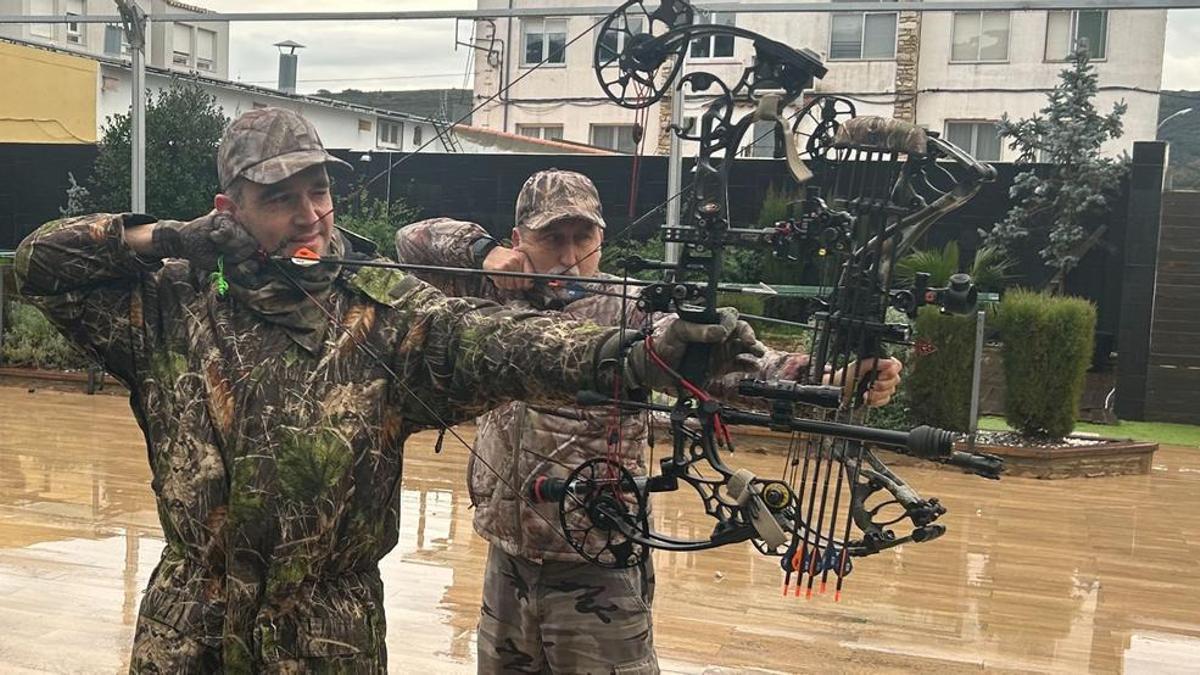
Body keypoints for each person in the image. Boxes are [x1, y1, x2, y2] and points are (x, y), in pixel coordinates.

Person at [13, 109, 763, 673]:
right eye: (281, 197)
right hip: (190, 627)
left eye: (320, 189)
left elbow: (493, 338)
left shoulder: (379, 309)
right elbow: (37, 264)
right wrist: (163, 238)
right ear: (228, 210)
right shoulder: (168, 306)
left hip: (326, 633)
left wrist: (631, 354)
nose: (310, 214)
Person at [395, 169, 903, 674]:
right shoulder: (490, 294)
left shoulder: (631, 308)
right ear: (518, 240)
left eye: (583, 237)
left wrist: (824, 381)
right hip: (507, 557)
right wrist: (484, 254)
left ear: (601, 238)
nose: (570, 256)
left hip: (599, 557)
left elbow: (721, 366)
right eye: (552, 238)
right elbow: (411, 242)